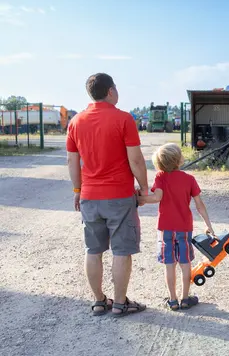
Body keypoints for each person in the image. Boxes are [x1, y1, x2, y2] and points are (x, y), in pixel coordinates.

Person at [66, 73, 149, 317]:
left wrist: (77, 190)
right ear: (111, 91)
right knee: (121, 251)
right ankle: (121, 303)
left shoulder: (76, 122)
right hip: (119, 197)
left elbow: (72, 161)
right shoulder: (124, 119)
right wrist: (144, 189)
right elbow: (135, 159)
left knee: (93, 250)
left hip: (89, 197)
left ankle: (100, 301)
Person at [137, 143, 214, 311]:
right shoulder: (189, 179)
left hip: (165, 228)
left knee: (169, 264)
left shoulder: (160, 177)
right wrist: (209, 226)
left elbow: (156, 198)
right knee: (185, 263)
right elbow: (200, 205)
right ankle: (185, 298)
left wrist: (139, 199)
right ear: (179, 160)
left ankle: (172, 300)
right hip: (184, 227)